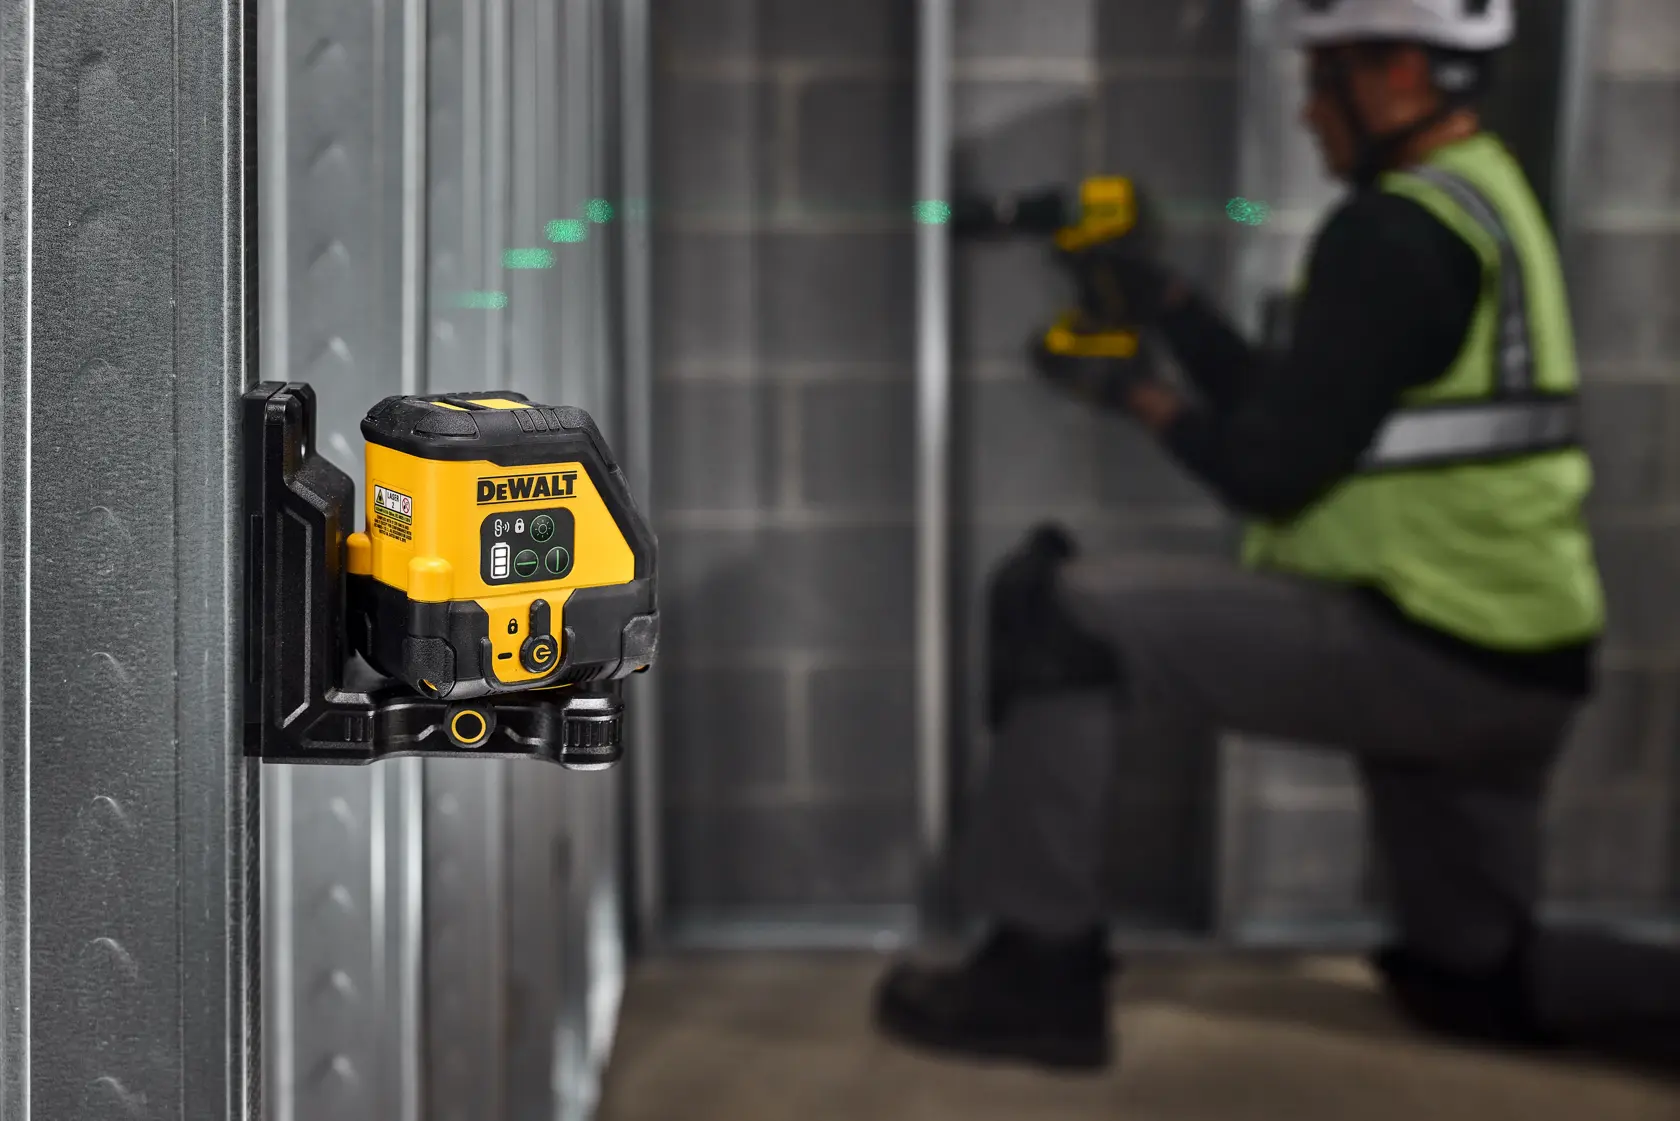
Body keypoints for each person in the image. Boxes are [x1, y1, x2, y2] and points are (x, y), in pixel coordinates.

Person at [873, 0, 1680, 1074]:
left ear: (1400, 70)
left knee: (1059, 605)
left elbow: (1272, 471)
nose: (1307, 113)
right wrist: (1164, 304)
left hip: (1426, 648)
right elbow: (1309, 408)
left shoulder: (1390, 232)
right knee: (1476, 976)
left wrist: (1135, 393)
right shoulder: (1479, 203)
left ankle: (1036, 977)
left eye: (1325, 78)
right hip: (1518, 660)